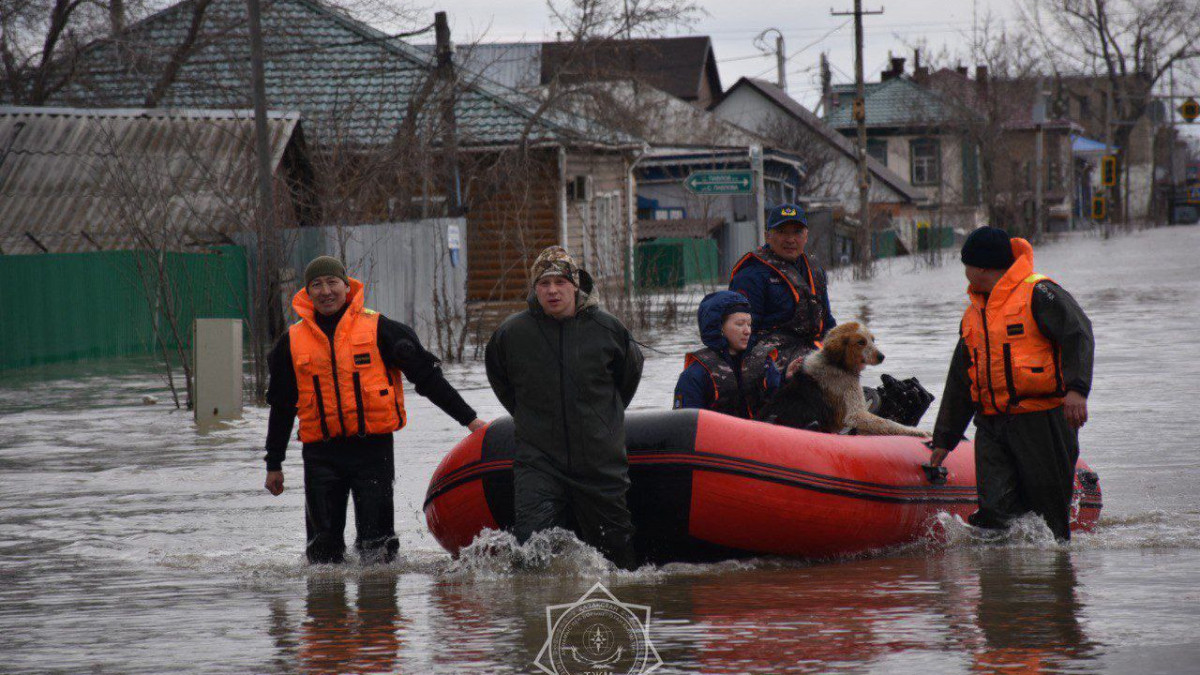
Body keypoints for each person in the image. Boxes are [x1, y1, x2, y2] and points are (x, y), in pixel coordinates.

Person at [263, 256, 485, 564]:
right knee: (322, 556)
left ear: (346, 286)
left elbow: (427, 378)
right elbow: (282, 407)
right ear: (307, 292)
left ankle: (379, 608)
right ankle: (326, 610)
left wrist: (471, 421)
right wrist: (274, 463)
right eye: (317, 285)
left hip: (373, 452)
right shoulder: (291, 342)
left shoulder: (381, 329)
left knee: (378, 551)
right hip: (320, 456)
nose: (326, 291)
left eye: (332, 283)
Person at [928, 227, 1094, 541]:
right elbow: (961, 379)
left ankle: (1055, 582)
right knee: (994, 516)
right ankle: (1001, 586)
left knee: (1049, 522)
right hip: (991, 425)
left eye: (966, 265)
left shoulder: (1039, 293)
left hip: (1042, 420)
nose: (964, 273)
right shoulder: (974, 313)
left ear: (980, 267)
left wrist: (1077, 390)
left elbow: (1079, 334)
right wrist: (944, 439)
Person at [484, 246, 644, 570]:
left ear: (575, 284)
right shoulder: (512, 333)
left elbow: (628, 378)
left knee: (617, 556)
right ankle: (535, 617)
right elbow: (501, 381)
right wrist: (532, 417)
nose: (553, 290)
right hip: (539, 460)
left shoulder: (608, 329)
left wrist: (602, 419)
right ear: (535, 289)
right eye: (544, 283)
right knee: (531, 551)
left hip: (599, 460)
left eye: (560, 281)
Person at [730, 203, 836, 376]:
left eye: (797, 232)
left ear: (806, 236)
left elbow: (827, 323)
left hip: (810, 351)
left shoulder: (815, 270)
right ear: (767, 236)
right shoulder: (751, 275)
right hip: (769, 359)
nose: (790, 239)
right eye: (782, 232)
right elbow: (741, 337)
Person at [673, 290, 758, 418]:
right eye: (740, 324)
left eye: (749, 324)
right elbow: (683, 424)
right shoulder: (694, 375)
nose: (747, 331)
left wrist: (786, 378)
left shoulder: (761, 363)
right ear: (720, 327)